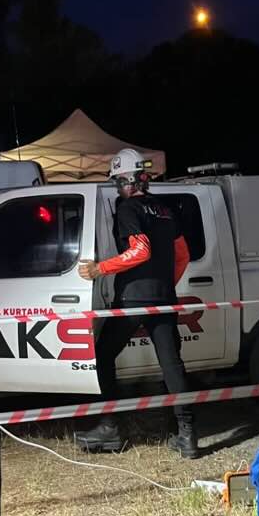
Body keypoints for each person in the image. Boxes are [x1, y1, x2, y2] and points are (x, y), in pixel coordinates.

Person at [72, 148, 197, 458]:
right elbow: (183, 256)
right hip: (163, 299)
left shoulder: (128, 209)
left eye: (118, 182)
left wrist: (99, 269)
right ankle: (187, 435)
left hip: (133, 299)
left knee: (103, 355)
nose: (118, 188)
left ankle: (110, 427)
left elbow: (141, 251)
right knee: (172, 365)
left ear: (128, 181)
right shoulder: (165, 209)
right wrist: (165, 285)